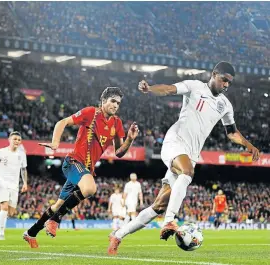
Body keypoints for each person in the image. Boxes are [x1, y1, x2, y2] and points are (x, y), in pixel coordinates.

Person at [107, 61, 260, 255]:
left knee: (158, 205)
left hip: (191, 154)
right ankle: (170, 221)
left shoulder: (225, 105)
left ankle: (117, 235)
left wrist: (249, 145)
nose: (226, 85)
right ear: (214, 74)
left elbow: (232, 132)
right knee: (187, 172)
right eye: (224, 80)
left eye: (229, 82)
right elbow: (169, 89)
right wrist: (150, 88)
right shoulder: (195, 86)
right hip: (175, 142)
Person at [23, 87, 139, 248]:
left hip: (85, 170)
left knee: (57, 204)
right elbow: (62, 122)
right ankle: (55, 219)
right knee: (90, 188)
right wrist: (56, 142)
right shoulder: (91, 112)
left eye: (118, 103)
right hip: (73, 162)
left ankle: (31, 233)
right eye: (113, 101)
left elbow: (119, 152)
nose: (115, 105)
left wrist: (130, 140)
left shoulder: (117, 123)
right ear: (104, 100)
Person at [0, 131, 28, 240]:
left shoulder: (21, 154)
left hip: (14, 185)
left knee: (11, 212)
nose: (17, 141)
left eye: (19, 139)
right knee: (4, 207)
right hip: (2, 182)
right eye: (15, 139)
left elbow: (23, 169)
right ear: (9, 140)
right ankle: (1, 234)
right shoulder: (1, 152)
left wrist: (25, 182)